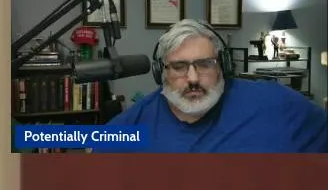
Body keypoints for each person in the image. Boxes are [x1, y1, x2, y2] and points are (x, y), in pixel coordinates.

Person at [107, 19, 327, 153]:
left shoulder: (276, 103)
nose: (193, 78)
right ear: (161, 72)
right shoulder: (132, 125)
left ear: (224, 65)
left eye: (205, 64)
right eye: (179, 67)